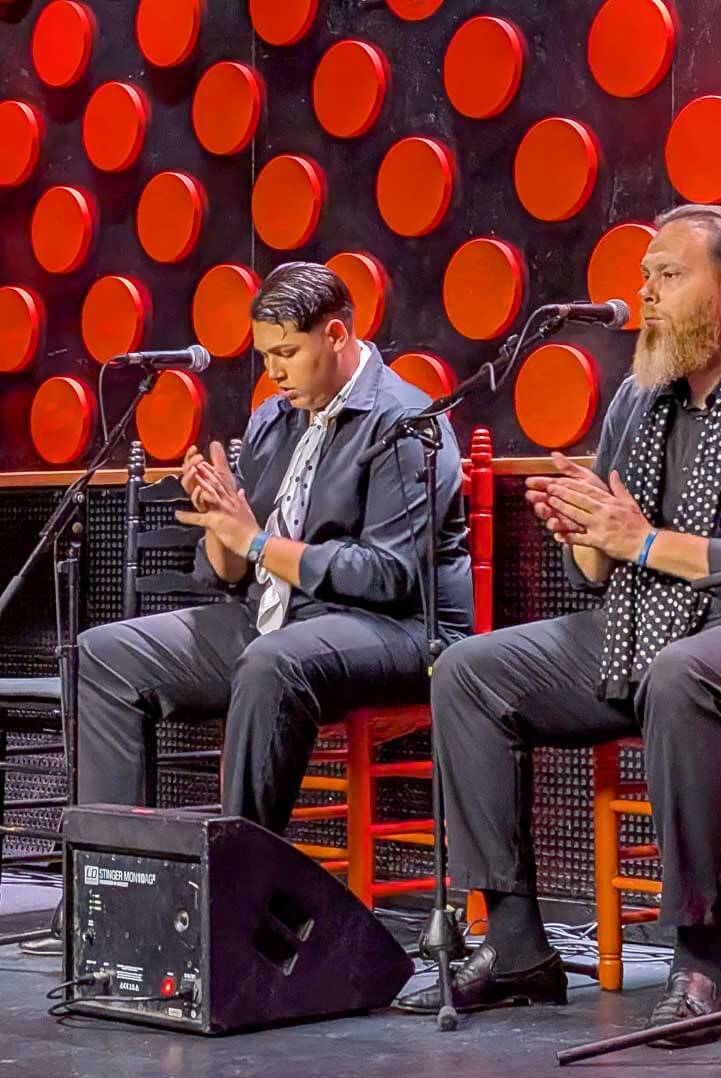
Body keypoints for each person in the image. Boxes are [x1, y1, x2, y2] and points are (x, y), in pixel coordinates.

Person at [399, 205, 721, 1043]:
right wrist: (586, 536)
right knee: (472, 671)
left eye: (669, 275)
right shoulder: (639, 396)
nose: (646, 295)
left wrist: (643, 541)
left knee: (686, 673)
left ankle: (699, 962)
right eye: (644, 277)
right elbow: (603, 564)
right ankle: (517, 947)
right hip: (659, 625)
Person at [77, 261, 472, 833]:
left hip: (401, 630)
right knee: (108, 654)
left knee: (273, 663)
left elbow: (388, 575)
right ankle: (112, 872)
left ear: (336, 335)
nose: (273, 372)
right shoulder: (272, 420)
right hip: (284, 619)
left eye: (285, 353)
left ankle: (240, 887)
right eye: (265, 355)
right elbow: (233, 573)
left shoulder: (404, 421)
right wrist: (221, 520)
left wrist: (259, 540)